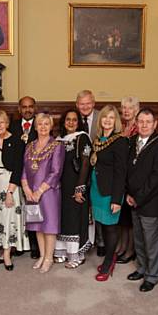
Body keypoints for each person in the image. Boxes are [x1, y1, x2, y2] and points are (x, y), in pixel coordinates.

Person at [125, 109, 158, 292]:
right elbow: (127, 170)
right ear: (136, 123)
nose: (144, 125)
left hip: (152, 202)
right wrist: (128, 194)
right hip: (133, 200)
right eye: (141, 121)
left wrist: (138, 197)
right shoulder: (132, 142)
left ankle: (152, 275)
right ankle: (142, 268)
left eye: (148, 121)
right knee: (139, 239)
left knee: (151, 242)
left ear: (155, 124)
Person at [0, 110, 30, 267]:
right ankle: (3, 249)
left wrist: (10, 192)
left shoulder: (17, 141)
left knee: (9, 218)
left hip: (10, 184)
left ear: (7, 124)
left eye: (1, 122)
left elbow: (18, 168)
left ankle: (7, 253)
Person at [21, 113, 65, 273]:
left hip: (48, 192)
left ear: (51, 126)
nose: (43, 127)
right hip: (31, 192)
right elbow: (24, 169)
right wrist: (26, 188)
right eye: (40, 124)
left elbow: (56, 171)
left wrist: (40, 190)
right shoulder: (29, 145)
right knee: (37, 225)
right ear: (35, 126)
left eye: (47, 124)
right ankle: (42, 255)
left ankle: (48, 258)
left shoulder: (57, 145)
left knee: (49, 226)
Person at [91, 105, 129, 281]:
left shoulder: (119, 141)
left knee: (110, 227)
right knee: (102, 226)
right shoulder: (98, 139)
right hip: (96, 190)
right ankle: (110, 256)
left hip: (110, 193)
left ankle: (108, 262)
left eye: (112, 118)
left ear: (116, 121)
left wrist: (116, 199)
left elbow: (121, 172)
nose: (107, 120)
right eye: (105, 117)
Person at [54, 109, 93, 269]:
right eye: (68, 119)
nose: (71, 122)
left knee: (74, 219)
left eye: (74, 120)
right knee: (62, 218)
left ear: (79, 122)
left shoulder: (82, 137)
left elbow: (85, 163)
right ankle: (61, 252)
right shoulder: (58, 140)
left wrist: (80, 188)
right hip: (59, 186)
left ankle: (76, 255)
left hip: (75, 185)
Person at [10, 96, 40, 259]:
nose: (27, 109)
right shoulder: (13, 126)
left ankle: (34, 245)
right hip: (16, 173)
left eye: (30, 106)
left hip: (35, 175)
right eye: (24, 107)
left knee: (33, 209)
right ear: (19, 109)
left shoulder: (40, 125)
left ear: (35, 108)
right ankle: (20, 243)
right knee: (17, 210)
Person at [76, 89, 104, 257]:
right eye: (81, 104)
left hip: (99, 168)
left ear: (93, 104)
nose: (85, 106)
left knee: (97, 206)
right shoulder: (73, 118)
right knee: (81, 204)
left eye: (88, 103)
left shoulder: (102, 116)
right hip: (78, 168)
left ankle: (100, 241)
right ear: (77, 105)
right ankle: (82, 239)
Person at [115, 96, 139, 264]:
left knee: (130, 218)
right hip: (120, 175)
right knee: (122, 216)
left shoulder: (140, 127)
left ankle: (131, 250)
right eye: (123, 107)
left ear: (137, 109)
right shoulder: (121, 126)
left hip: (132, 175)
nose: (126, 111)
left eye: (130, 108)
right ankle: (122, 246)